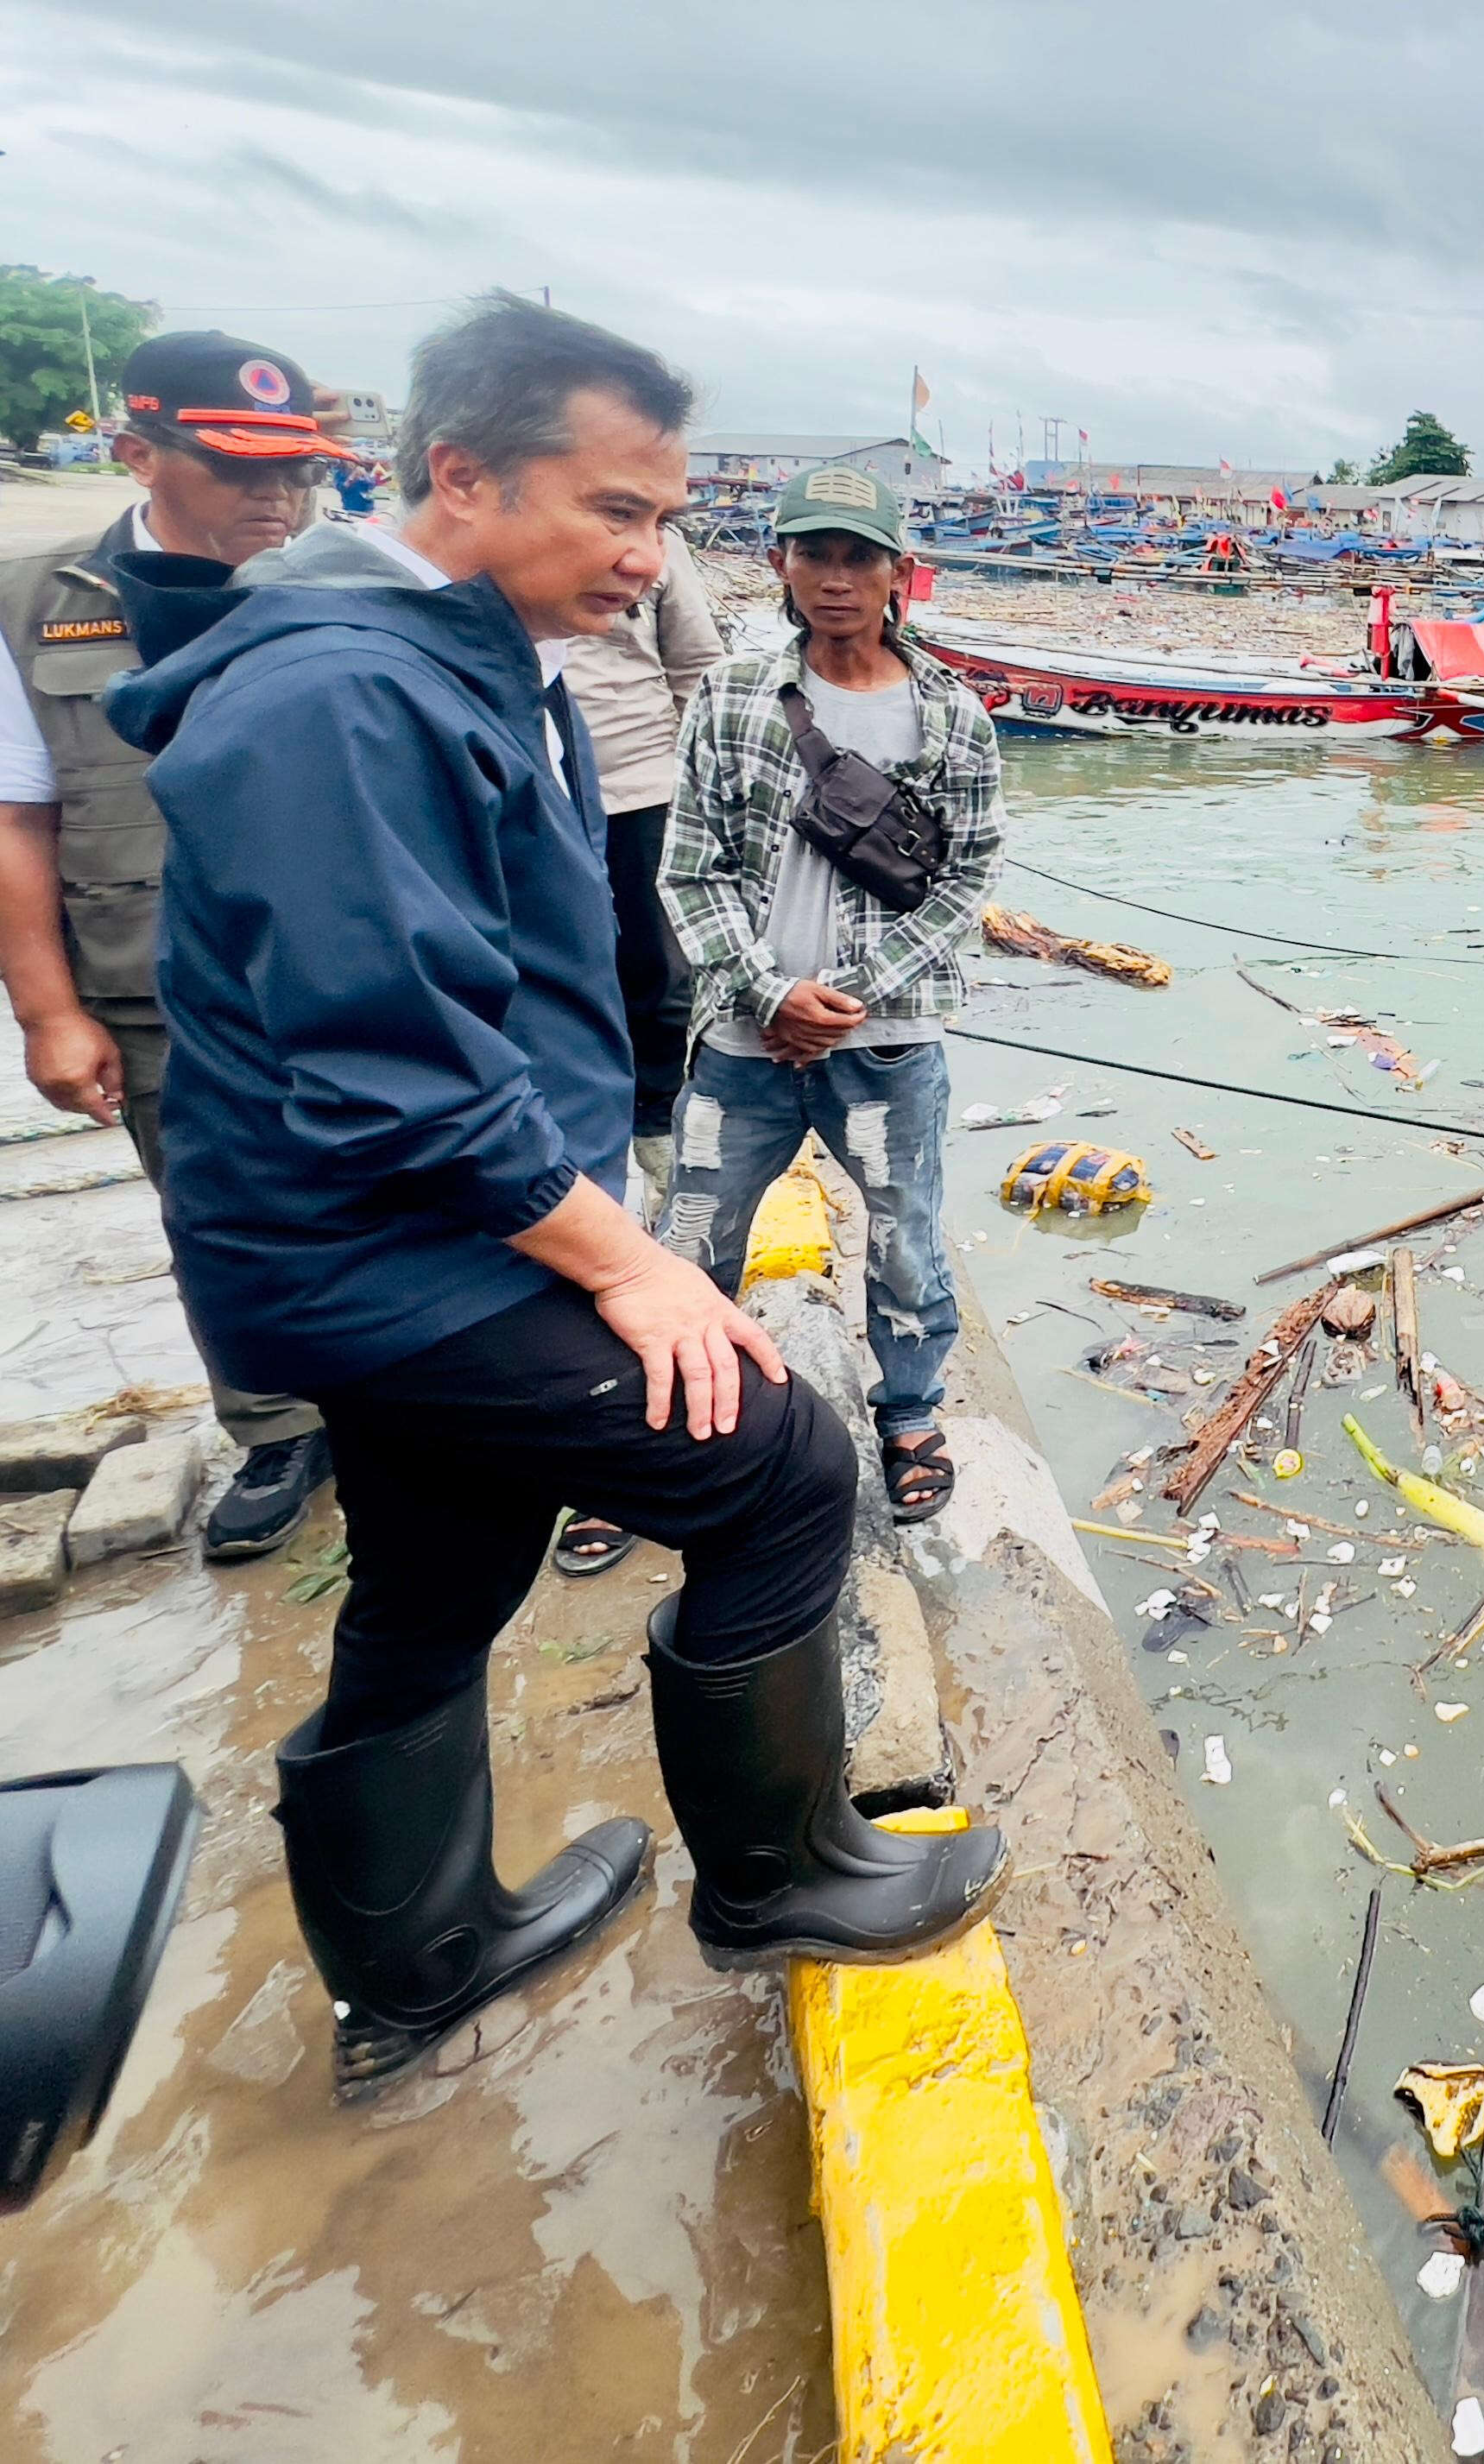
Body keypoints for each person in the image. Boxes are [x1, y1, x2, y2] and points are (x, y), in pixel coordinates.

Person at [103, 293, 1003, 2101]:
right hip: (388, 1244)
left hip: (398, 1226)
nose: (647, 558)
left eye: (665, 518)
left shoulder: (437, 640)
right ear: (462, 475)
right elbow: (383, 1058)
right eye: (616, 511)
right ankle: (781, 1879)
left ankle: (421, 1950)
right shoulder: (341, 687)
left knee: (444, 1565)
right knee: (776, 1465)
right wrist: (631, 1263)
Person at [0, 331, 357, 1558]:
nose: (275, 495)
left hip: (339, 969)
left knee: (389, 1192)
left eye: (295, 470)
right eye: (235, 465)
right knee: (212, 1209)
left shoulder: (353, 585)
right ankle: (274, 1428)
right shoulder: (38, 604)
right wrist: (49, 1010)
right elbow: (17, 816)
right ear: (140, 452)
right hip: (146, 971)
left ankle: (398, 1411)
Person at [655, 464, 999, 1528]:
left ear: (902, 573)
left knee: (907, 1240)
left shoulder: (952, 714)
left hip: (887, 1049)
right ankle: (665, 1436)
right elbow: (691, 869)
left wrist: (840, 995)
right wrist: (768, 991)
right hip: (741, 1043)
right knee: (692, 1239)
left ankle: (909, 1417)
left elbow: (966, 882)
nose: (836, 578)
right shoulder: (732, 695)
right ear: (780, 565)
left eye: (860, 557)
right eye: (815, 553)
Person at [552, 516, 726, 1579]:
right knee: (558, 1037)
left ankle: (660, 1174)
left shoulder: (658, 558)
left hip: (635, 790)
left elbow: (698, 671)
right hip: (520, 799)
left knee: (660, 999)